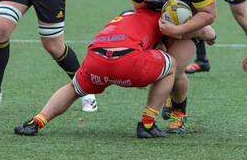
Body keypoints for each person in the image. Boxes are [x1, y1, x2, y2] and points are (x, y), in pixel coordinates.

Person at [14, 8, 177, 138]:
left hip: (95, 60)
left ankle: (36, 122)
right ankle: (147, 125)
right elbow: (165, 45)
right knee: (171, 67)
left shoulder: (120, 20)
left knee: (73, 88)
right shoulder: (159, 19)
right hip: (127, 62)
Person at [124, 0, 217, 134]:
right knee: (158, 67)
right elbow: (141, 14)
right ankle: (168, 94)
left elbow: (209, 14)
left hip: (188, 24)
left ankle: (178, 112)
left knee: (174, 67)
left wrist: (177, 31)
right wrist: (157, 41)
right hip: (156, 23)